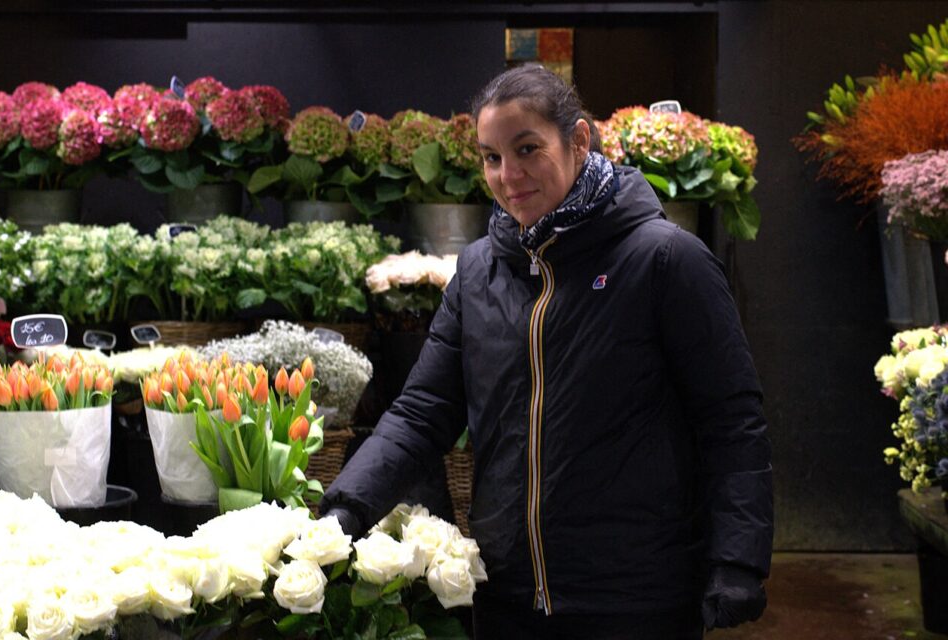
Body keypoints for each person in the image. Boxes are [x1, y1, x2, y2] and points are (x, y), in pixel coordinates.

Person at [322, 63, 773, 639]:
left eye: (527, 148)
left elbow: (731, 420)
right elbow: (422, 412)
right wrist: (348, 508)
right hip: (507, 592)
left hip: (636, 598)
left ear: (579, 140)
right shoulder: (478, 271)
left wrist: (738, 558)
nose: (509, 175)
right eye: (490, 157)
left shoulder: (664, 260)